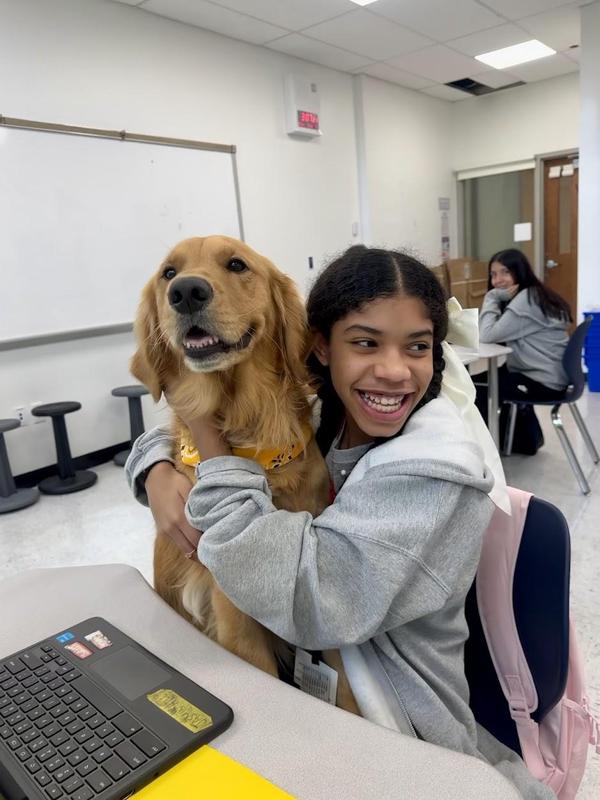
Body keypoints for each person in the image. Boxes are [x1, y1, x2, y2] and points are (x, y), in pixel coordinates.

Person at [126, 246, 554, 799]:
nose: (394, 370)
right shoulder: (329, 412)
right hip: (304, 689)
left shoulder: (435, 472)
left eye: (417, 347)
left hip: (396, 728)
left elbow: (311, 600)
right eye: (365, 342)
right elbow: (208, 410)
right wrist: (155, 466)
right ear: (319, 350)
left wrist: (207, 444)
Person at [474, 248, 572, 454]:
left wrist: (491, 298)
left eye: (505, 272)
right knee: (478, 379)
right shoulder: (535, 294)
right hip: (544, 375)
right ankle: (509, 441)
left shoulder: (527, 300)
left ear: (520, 272)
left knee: (478, 387)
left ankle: (483, 452)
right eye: (493, 274)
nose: (498, 280)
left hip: (542, 381)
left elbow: (487, 335)